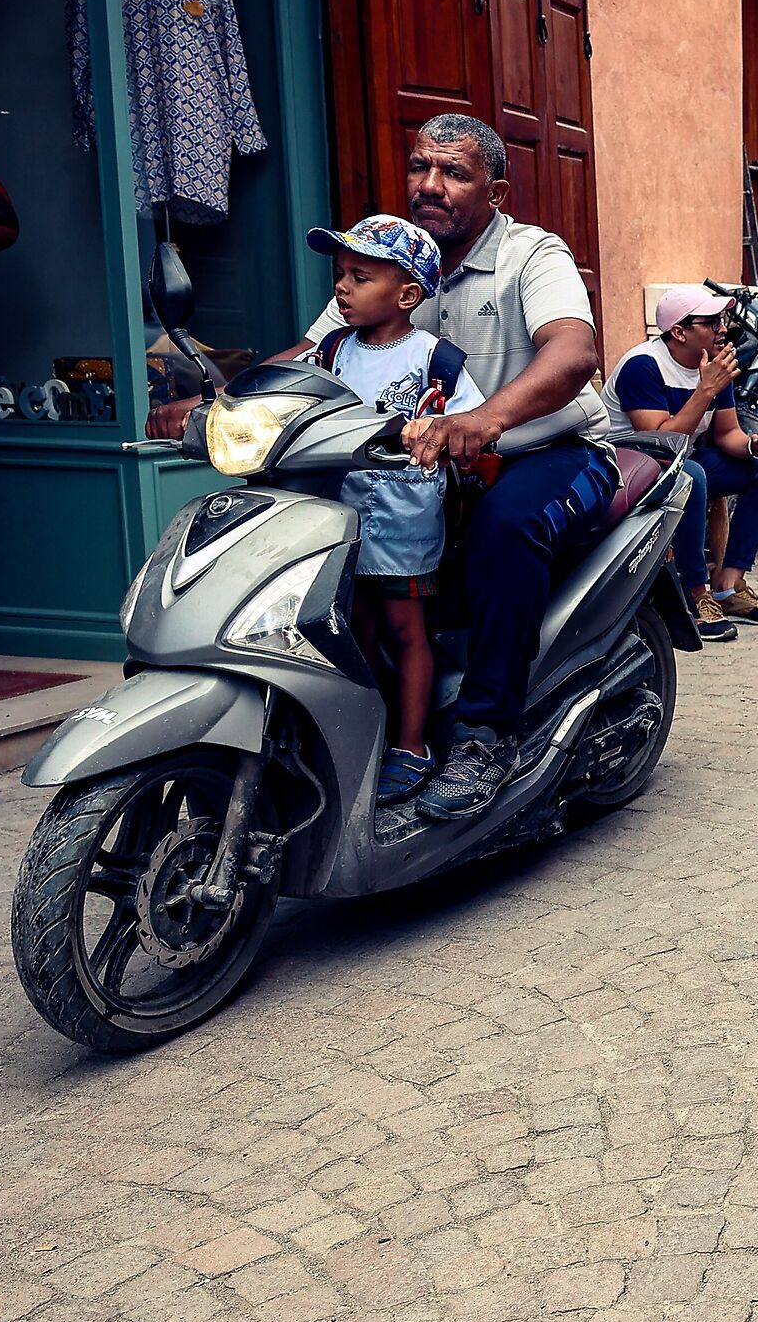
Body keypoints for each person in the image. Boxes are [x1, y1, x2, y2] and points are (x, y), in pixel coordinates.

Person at [150, 113, 617, 820]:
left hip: (549, 452)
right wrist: (219, 402)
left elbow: (574, 352)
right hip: (412, 472)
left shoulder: (531, 255)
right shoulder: (382, 261)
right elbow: (307, 358)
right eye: (420, 166)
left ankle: (486, 734)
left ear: (495, 192)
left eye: (453, 172)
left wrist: (484, 420)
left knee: (504, 525)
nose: (429, 184)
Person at [301, 215, 484, 801]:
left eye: (360, 277)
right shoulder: (332, 350)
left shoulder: (437, 360)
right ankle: (370, 728)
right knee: (356, 624)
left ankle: (412, 744)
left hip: (404, 518)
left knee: (406, 629)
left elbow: (470, 425)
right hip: (339, 513)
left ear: (406, 296)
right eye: (340, 274)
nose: (342, 287)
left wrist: (439, 428)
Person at [602, 285, 758, 635]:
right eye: (712, 322)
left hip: (678, 462)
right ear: (679, 332)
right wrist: (705, 390)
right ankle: (694, 593)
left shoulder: (714, 365)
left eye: (723, 319)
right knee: (693, 474)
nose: (723, 328)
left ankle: (729, 585)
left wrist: (753, 447)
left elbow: (727, 434)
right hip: (629, 470)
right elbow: (661, 441)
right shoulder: (643, 366)